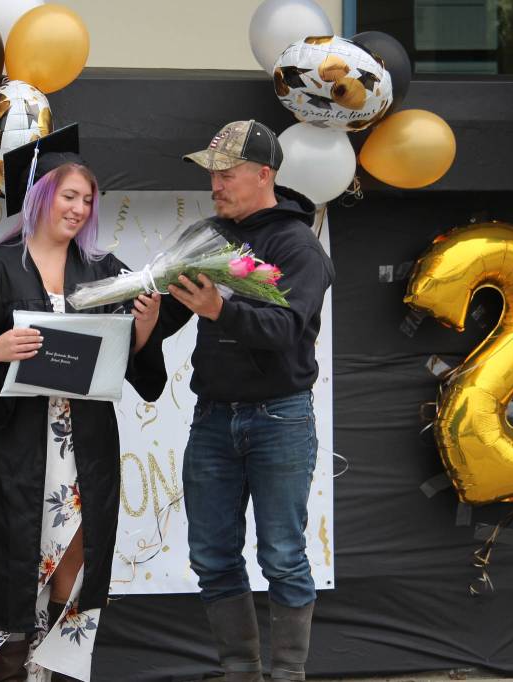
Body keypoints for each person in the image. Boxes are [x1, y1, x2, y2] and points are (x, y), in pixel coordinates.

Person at [0, 125, 167, 682]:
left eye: (88, 200)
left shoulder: (108, 272)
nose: (81, 208)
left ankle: (59, 673)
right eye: (69, 195)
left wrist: (146, 329)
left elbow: (138, 370)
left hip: (82, 446)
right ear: (39, 195)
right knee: (7, 563)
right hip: (14, 447)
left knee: (74, 566)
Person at [156, 120, 335, 682]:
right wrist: (134, 316)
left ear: (264, 175)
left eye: (226, 173)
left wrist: (220, 311)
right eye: (211, 174)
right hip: (212, 417)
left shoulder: (298, 245)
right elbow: (165, 313)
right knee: (211, 555)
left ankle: (286, 675)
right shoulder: (206, 235)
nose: (216, 184)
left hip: (279, 416)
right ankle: (240, 671)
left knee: (282, 554)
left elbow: (286, 329)